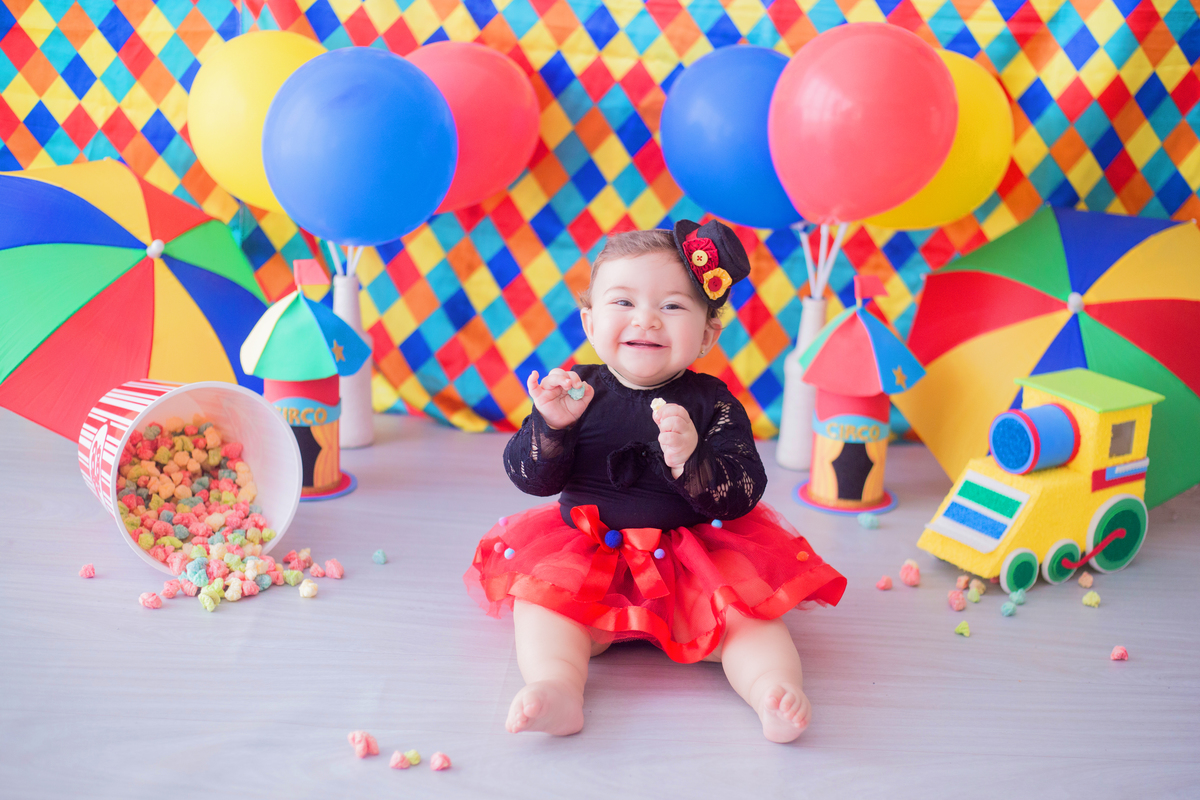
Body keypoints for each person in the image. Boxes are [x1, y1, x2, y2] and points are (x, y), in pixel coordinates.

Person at [465, 220, 846, 743]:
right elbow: (530, 478)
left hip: (696, 558)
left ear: (708, 333)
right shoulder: (574, 392)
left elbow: (744, 490)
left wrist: (693, 457)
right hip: (589, 554)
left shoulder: (712, 403)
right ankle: (558, 688)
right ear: (589, 319)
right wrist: (549, 426)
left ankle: (771, 690)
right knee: (541, 605)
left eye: (672, 306)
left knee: (749, 621)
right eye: (622, 302)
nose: (646, 319)